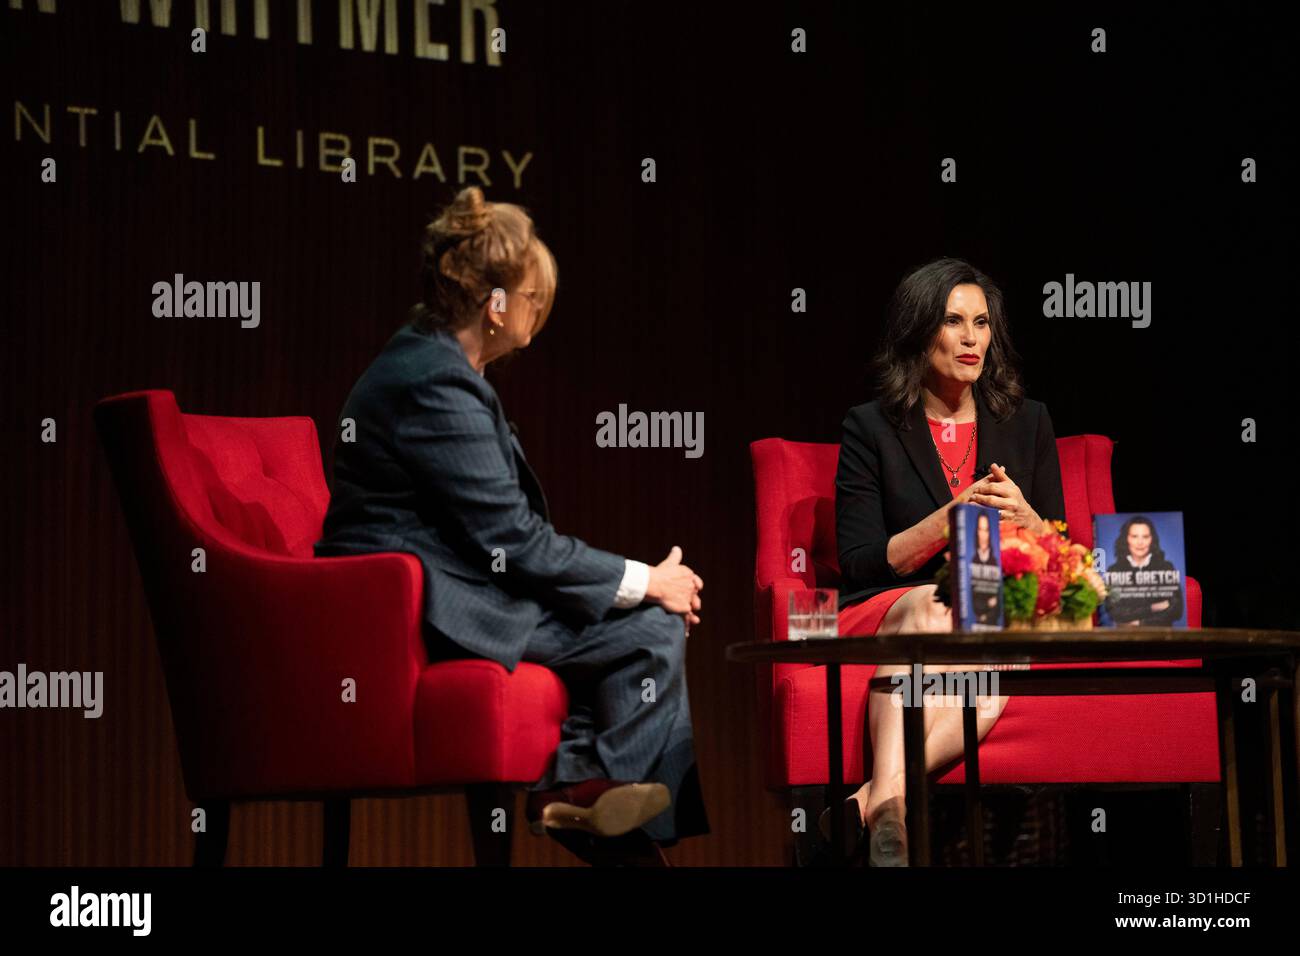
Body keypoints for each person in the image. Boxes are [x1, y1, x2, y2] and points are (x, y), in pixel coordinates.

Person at [314, 186, 709, 865]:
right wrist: (648, 580)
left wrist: (635, 586)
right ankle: (578, 794)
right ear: (494, 303)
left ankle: (583, 789)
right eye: (533, 298)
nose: (539, 313)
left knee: (639, 632)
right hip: (412, 610)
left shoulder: (434, 363)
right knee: (649, 627)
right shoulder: (436, 382)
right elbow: (515, 541)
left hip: (443, 586)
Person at [828, 257, 1066, 864]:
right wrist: (950, 518)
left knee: (999, 644)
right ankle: (885, 803)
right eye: (953, 322)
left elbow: (1065, 558)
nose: (970, 339)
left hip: (989, 608)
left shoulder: (1028, 422)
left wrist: (1027, 520)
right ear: (918, 331)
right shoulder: (870, 427)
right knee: (938, 613)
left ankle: (878, 805)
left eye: (982, 323)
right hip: (896, 605)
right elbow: (859, 561)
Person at [1104, 516, 1184, 626]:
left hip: (1161, 637)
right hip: (1125, 638)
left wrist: (1140, 622)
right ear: (1126, 538)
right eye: (1134, 536)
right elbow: (1114, 612)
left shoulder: (1166, 568)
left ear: (1152, 539)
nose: (1140, 542)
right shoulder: (1114, 571)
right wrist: (1153, 607)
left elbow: (1176, 610)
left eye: (1145, 537)